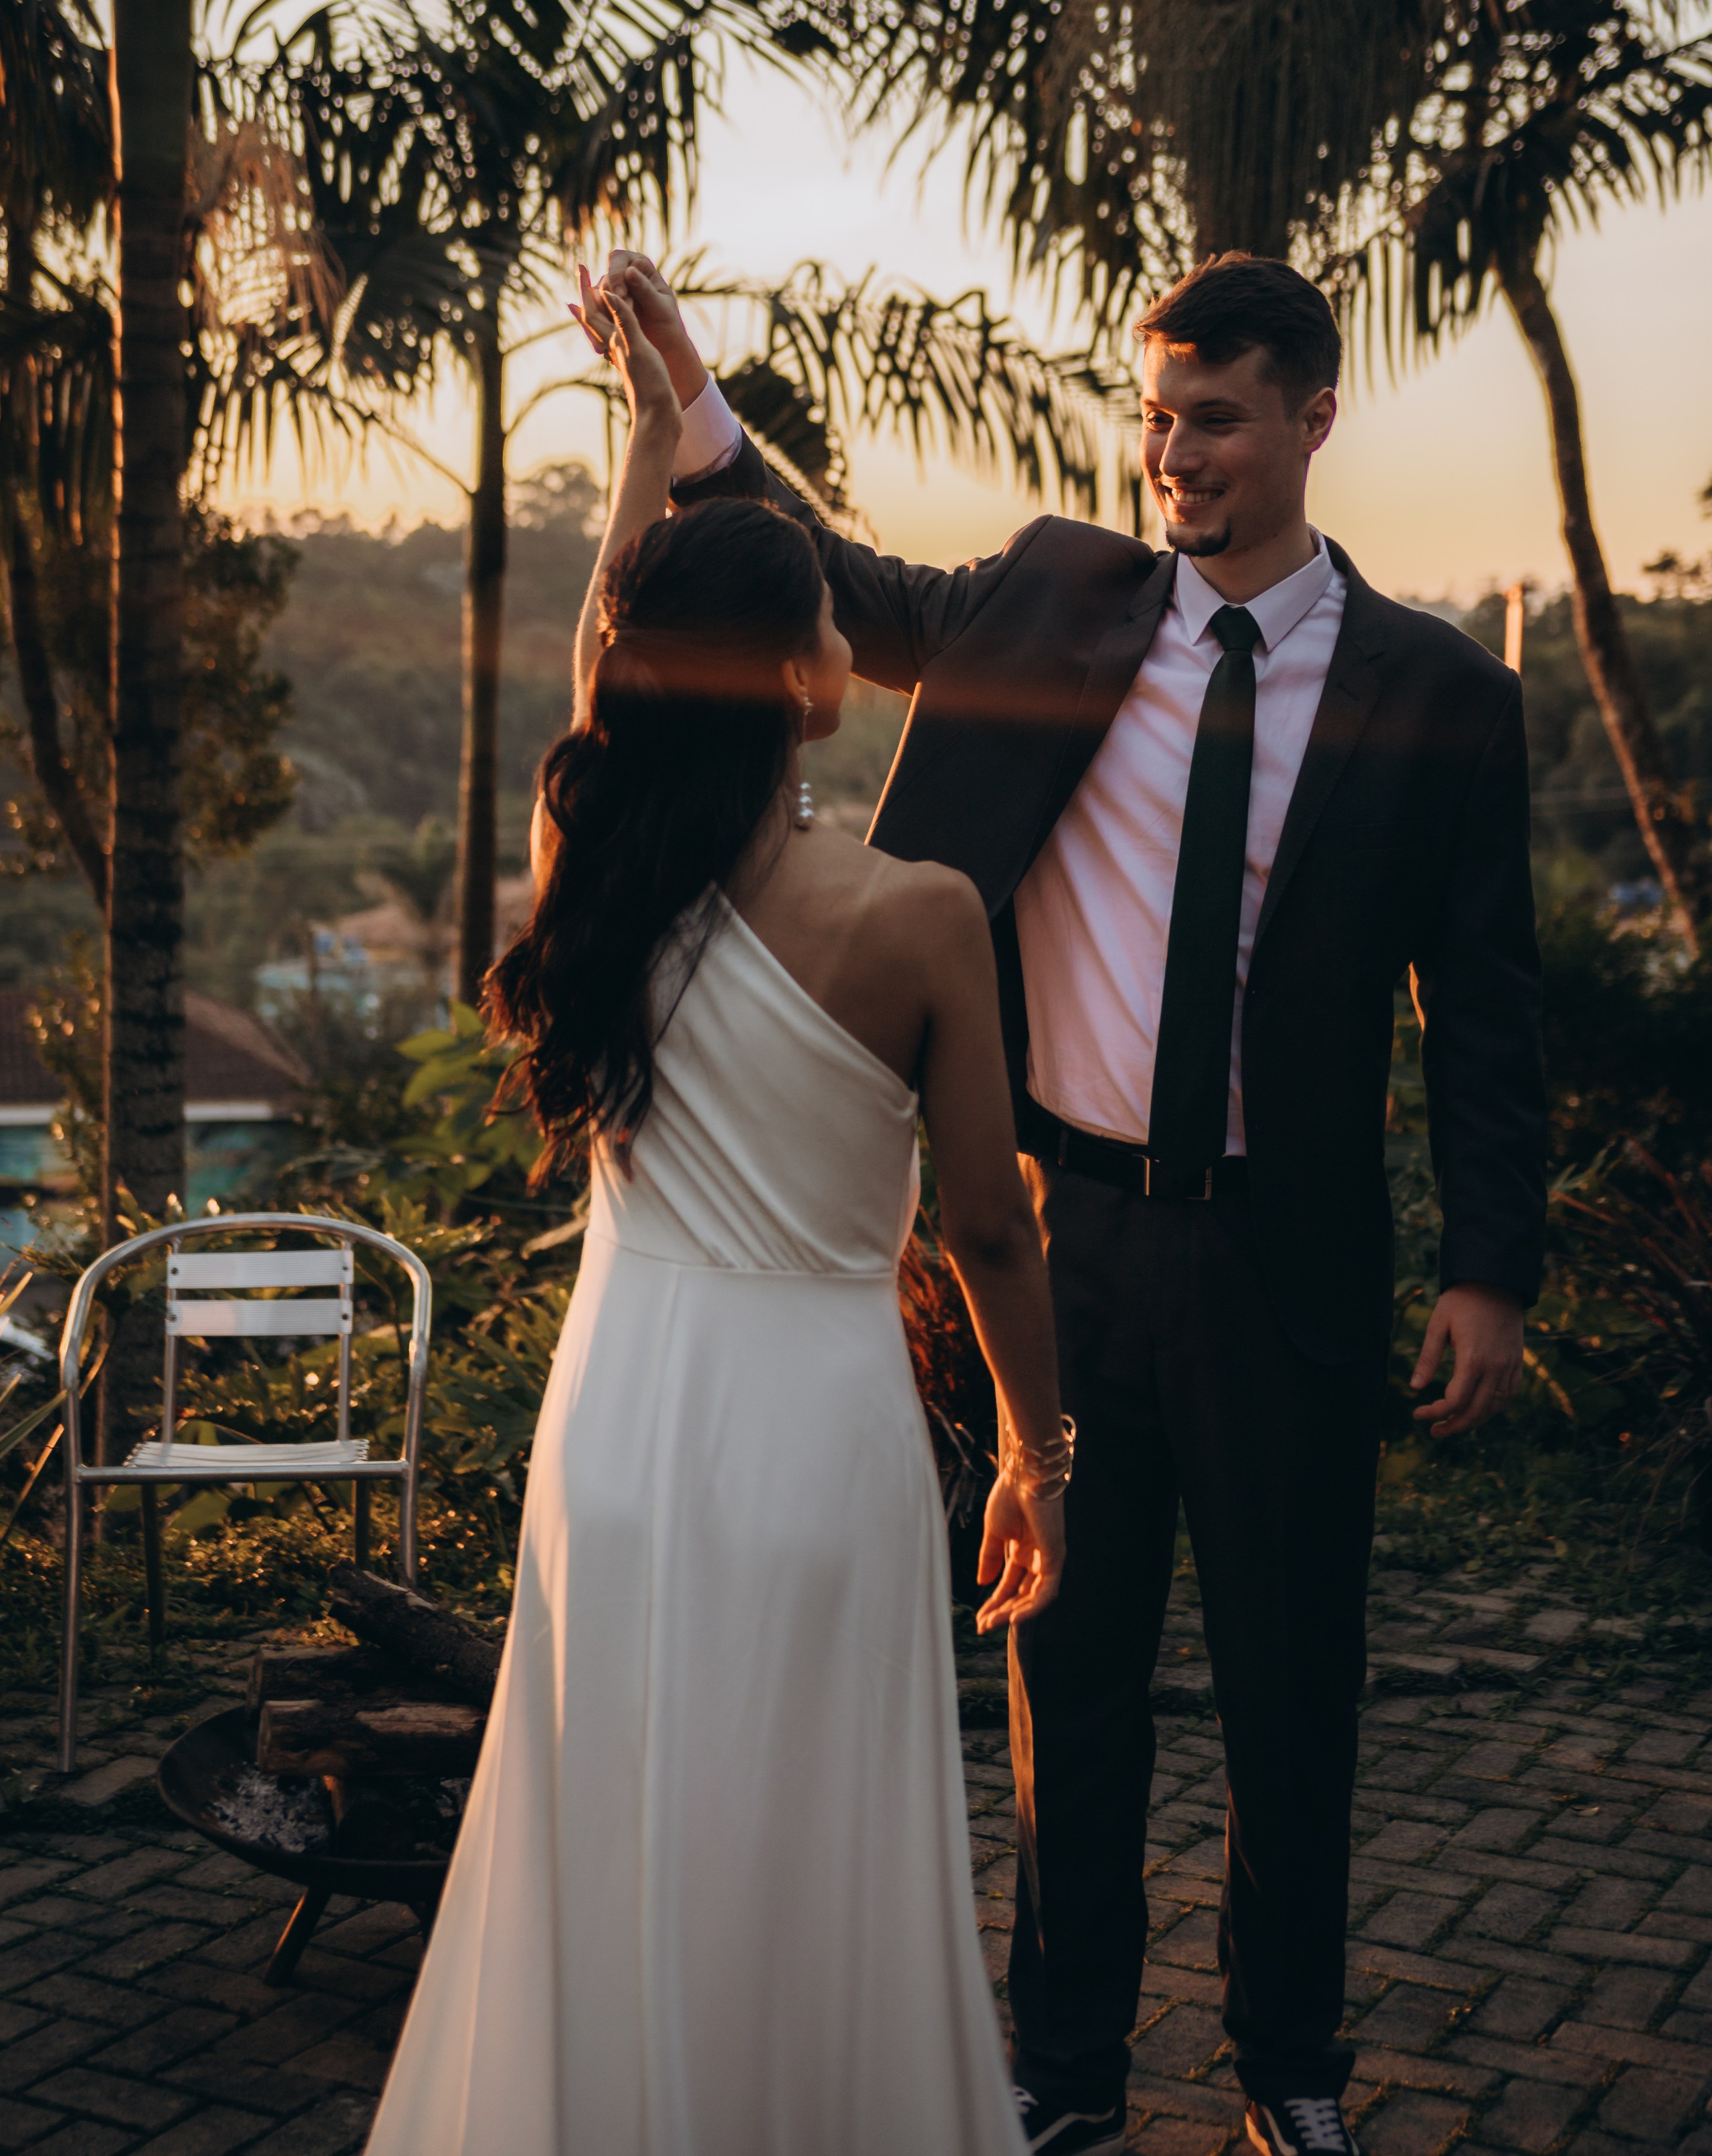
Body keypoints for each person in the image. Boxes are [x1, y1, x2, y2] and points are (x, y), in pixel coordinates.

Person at [575, 248, 1548, 2156]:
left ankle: (1290, 2070)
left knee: (1294, 1686)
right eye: (1156, 415)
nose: (1171, 453)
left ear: (1313, 421)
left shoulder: (1443, 690)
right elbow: (831, 578)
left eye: (1216, 419)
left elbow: (1489, 1000)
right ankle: (1066, 2071)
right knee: (1067, 1679)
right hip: (1067, 1235)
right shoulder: (1053, 600)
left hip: (1295, 1254)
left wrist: (1493, 1269)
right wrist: (691, 407)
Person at [363, 271, 1069, 2156]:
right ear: (818, 678)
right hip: (817, 1429)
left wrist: (651, 420)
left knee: (619, 1819)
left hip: (621, 1417)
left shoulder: (587, 848)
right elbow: (990, 1232)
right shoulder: (914, 914)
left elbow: (614, 633)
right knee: (810, 1839)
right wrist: (1036, 1447)